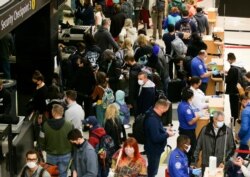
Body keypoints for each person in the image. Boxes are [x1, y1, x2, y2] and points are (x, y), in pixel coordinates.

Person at [39, 104, 73, 177]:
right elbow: (73, 140)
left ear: (53, 112)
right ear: (62, 112)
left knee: (51, 174)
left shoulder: (45, 125)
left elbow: (41, 139)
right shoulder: (70, 125)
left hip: (51, 155)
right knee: (63, 174)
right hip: (66, 154)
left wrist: (42, 148)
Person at [144, 99, 175, 177]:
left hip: (154, 148)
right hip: (153, 149)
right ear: (161, 108)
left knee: (152, 168)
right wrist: (167, 134)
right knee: (153, 170)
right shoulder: (152, 119)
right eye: (165, 109)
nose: (165, 112)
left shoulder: (154, 115)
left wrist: (165, 130)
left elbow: (156, 129)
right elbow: (156, 138)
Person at [177, 88, 201, 164]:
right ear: (189, 97)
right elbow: (190, 122)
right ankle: (189, 164)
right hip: (188, 132)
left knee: (186, 147)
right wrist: (199, 116)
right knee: (190, 149)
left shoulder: (182, 104)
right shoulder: (186, 108)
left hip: (184, 130)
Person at [225, 53, 243, 125]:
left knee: (233, 107)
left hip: (233, 91)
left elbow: (227, 80)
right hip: (238, 90)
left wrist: (226, 75)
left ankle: (234, 120)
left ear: (230, 59)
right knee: (237, 107)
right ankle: (237, 119)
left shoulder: (233, 69)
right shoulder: (240, 67)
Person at [124, 52, 141, 116]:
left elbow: (132, 87)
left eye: (126, 61)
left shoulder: (133, 71)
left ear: (128, 61)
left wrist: (129, 101)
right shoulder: (139, 66)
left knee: (136, 111)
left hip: (135, 94)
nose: (126, 63)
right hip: (139, 92)